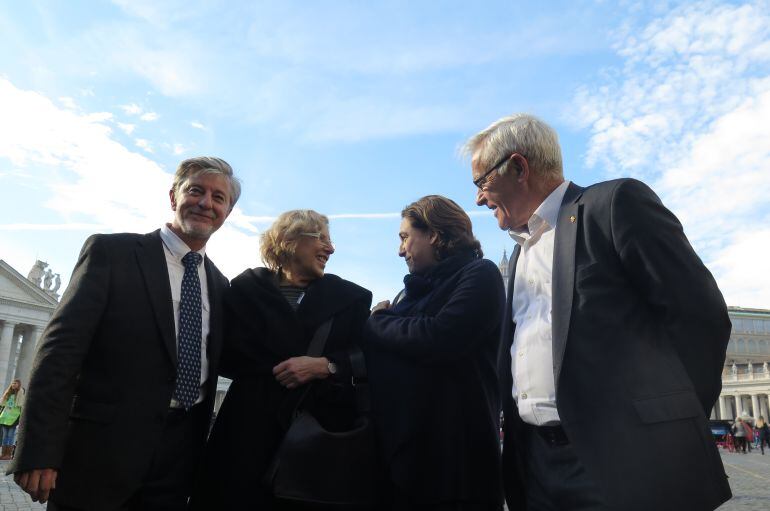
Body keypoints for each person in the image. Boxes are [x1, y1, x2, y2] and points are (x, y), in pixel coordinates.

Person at [465, 114, 732, 511]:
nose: (479, 199)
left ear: (519, 167)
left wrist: (667, 424)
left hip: (620, 461)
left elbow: (700, 317)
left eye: (481, 182)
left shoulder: (614, 205)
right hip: (537, 465)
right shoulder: (520, 252)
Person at [8, 157, 240, 510]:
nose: (206, 203)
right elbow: (59, 353)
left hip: (176, 467)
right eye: (196, 190)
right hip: (97, 457)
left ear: (226, 212)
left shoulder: (220, 285)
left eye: (219, 197)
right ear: (173, 197)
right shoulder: (112, 253)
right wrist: (38, 450)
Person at [189, 209, 372, 510]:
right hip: (244, 436)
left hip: (312, 443)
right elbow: (221, 356)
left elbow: (366, 358)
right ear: (289, 239)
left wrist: (325, 365)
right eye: (321, 239)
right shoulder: (243, 290)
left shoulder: (349, 299)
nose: (331, 248)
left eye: (331, 240)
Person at [364, 195, 505, 510]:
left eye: (405, 237)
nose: (400, 250)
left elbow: (439, 337)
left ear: (434, 235)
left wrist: (378, 322)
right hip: (402, 464)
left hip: (455, 470)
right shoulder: (407, 294)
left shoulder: (480, 275)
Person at [0, 379, 24, 460]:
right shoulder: (9, 393)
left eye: (16, 383)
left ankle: (8, 455)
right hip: (5, 417)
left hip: (13, 418)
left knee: (10, 436)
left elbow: (21, 406)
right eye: (13, 383)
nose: (14, 384)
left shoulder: (20, 393)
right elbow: (3, 403)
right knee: (4, 436)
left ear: (19, 385)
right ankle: (3, 454)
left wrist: (19, 418)